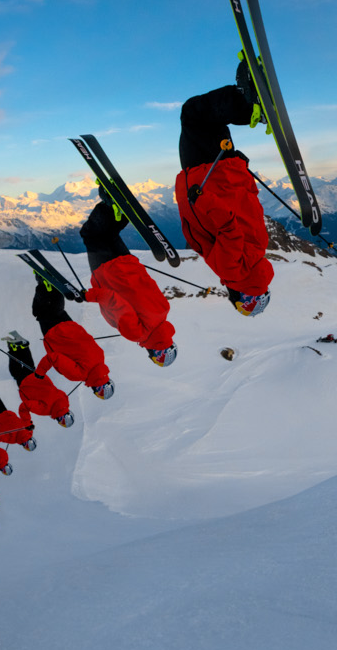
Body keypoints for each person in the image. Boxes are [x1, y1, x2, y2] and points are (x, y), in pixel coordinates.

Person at [174, 62, 274, 314]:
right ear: (241, 296)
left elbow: (251, 206)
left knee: (209, 120)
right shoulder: (233, 271)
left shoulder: (259, 250)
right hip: (208, 178)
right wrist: (201, 200)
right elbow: (229, 229)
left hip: (227, 174)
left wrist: (240, 170)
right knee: (193, 115)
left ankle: (249, 102)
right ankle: (249, 104)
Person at [81, 200, 177, 366]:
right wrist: (88, 296)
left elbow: (148, 285)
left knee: (110, 234)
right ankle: (108, 202)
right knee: (91, 235)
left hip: (129, 264)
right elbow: (114, 301)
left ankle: (115, 206)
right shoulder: (137, 334)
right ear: (154, 352)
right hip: (109, 273)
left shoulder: (164, 311)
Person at [32, 281, 114, 399]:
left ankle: (50, 285)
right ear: (96, 389)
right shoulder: (79, 374)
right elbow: (53, 357)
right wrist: (40, 373)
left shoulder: (101, 358)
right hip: (56, 336)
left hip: (70, 326)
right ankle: (44, 283)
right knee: (41, 312)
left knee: (56, 310)